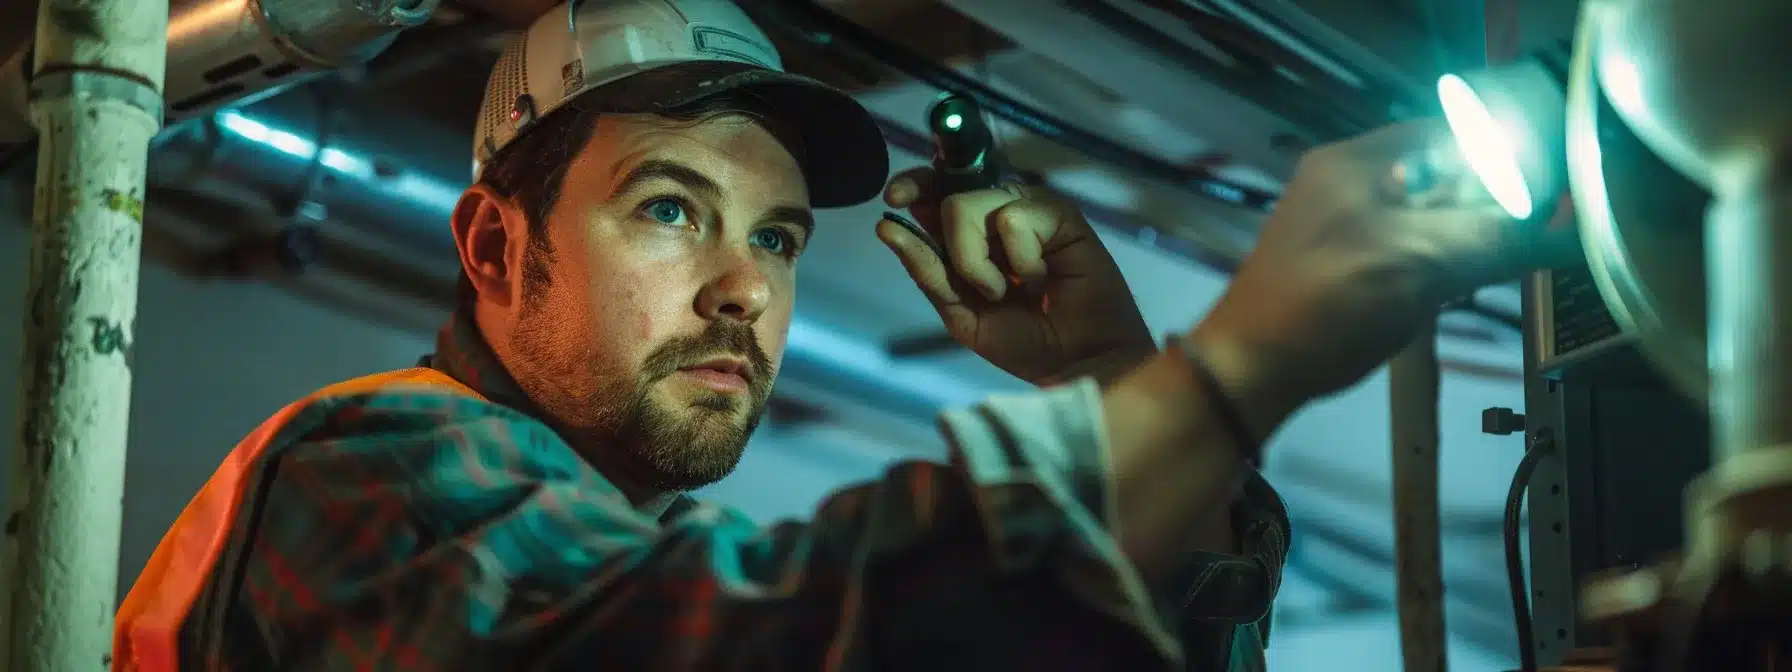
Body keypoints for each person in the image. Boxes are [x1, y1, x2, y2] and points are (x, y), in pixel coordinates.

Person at [113, 1, 1569, 670]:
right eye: (673, 210)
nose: (747, 290)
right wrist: (1240, 359)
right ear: (497, 246)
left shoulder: (585, 538)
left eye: (779, 235)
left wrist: (1111, 378)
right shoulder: (371, 465)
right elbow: (754, 643)